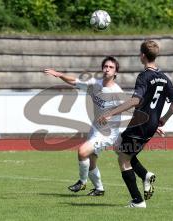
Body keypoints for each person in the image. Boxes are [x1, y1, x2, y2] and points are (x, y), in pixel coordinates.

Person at [98, 40, 173, 208]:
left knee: (123, 159)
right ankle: (145, 175)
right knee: (120, 146)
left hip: (141, 125)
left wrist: (110, 113)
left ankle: (137, 200)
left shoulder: (144, 76)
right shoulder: (164, 78)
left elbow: (136, 100)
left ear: (142, 55)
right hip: (148, 124)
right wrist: (162, 120)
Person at [44, 56, 124, 196]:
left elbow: (130, 108)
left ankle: (82, 181)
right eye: (105, 66)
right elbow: (75, 81)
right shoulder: (95, 84)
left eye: (111, 67)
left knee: (82, 151)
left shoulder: (117, 92)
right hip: (95, 129)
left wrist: (155, 124)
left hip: (108, 133)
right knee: (91, 161)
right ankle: (99, 189)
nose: (107, 69)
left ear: (116, 72)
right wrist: (60, 75)